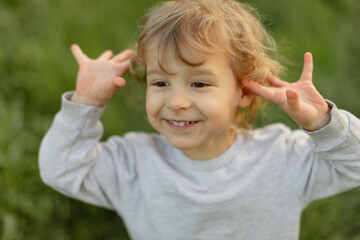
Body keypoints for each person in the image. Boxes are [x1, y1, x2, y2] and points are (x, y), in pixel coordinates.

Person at [39, 0, 360, 239]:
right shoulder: (134, 165)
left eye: (199, 83)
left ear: (245, 91)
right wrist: (84, 104)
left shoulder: (283, 158)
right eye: (161, 82)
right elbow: (61, 170)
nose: (176, 102)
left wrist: (323, 124)